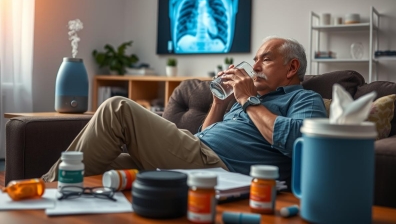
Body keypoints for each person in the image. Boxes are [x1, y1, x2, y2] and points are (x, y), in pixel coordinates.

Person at [42, 36, 327, 184]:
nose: (254, 67)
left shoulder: (305, 100)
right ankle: (50, 196)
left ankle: (40, 192)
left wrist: (249, 101)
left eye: (265, 59)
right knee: (100, 168)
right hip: (195, 152)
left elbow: (299, 143)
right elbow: (205, 136)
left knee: (117, 108)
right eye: (254, 60)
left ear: (292, 67)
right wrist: (219, 103)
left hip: (222, 170)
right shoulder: (246, 99)